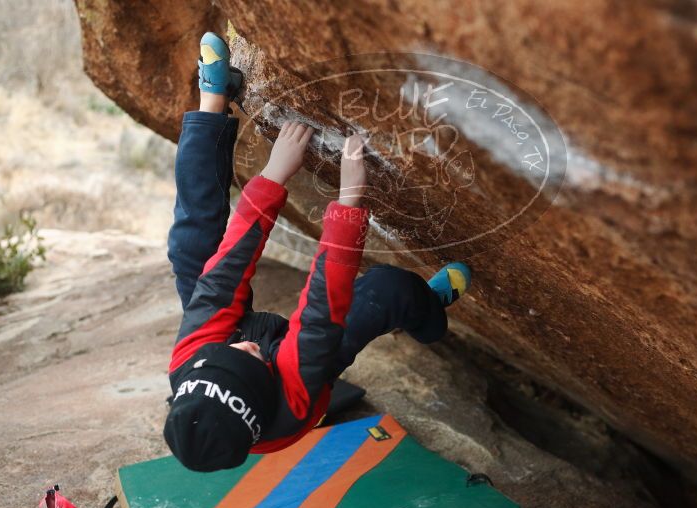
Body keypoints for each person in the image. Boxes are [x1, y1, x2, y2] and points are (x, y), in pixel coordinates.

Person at [163, 32, 472, 471]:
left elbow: (223, 274)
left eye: (236, 354)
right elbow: (320, 311)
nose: (250, 348)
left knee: (190, 246)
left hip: (228, 350)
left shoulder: (189, 360)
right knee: (389, 291)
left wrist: (271, 177)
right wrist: (349, 199)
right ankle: (429, 309)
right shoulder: (294, 397)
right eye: (253, 364)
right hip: (299, 366)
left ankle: (212, 99)